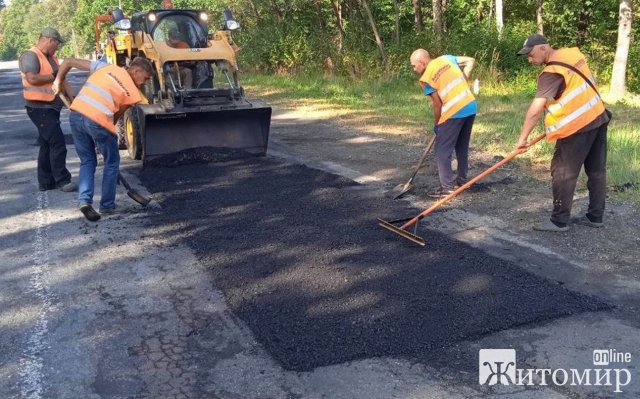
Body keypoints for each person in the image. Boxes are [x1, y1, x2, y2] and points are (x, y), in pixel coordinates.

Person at [515, 34, 610, 232]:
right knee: (596, 171)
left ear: (543, 48)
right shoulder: (572, 54)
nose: (530, 60)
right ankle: (595, 216)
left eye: (531, 55)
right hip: (598, 116)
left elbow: (535, 110)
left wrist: (522, 140)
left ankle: (559, 221)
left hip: (577, 127)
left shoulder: (552, 72)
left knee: (563, 172)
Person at [52, 57, 153, 221]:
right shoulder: (133, 93)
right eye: (146, 78)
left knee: (87, 161)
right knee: (112, 162)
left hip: (76, 115)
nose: (144, 83)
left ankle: (84, 201)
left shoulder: (104, 67)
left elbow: (69, 61)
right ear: (137, 71)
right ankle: (106, 205)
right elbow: (116, 116)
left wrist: (58, 81)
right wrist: (102, 135)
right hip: (97, 121)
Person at [409, 49, 477, 198]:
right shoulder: (446, 59)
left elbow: (437, 105)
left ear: (422, 62)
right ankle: (462, 181)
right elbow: (471, 60)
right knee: (461, 146)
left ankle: (447, 188)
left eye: (414, 66)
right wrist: (464, 79)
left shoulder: (426, 79)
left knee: (442, 151)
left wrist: (438, 124)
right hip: (470, 105)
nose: (414, 69)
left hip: (454, 112)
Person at [19, 27, 77, 192]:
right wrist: (54, 76)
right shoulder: (30, 56)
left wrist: (73, 100)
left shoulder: (51, 58)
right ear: (50, 40)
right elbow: (33, 79)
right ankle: (63, 181)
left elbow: (61, 80)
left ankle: (45, 183)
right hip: (39, 108)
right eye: (57, 43)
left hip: (50, 107)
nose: (57, 47)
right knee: (57, 143)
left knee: (47, 145)